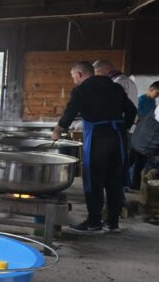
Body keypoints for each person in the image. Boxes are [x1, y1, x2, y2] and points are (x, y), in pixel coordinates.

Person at [52, 61, 136, 234]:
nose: (74, 80)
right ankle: (112, 223)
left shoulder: (81, 90)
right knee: (115, 180)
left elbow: (70, 113)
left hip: (98, 137)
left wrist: (58, 131)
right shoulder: (115, 87)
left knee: (93, 179)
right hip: (118, 137)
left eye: (73, 76)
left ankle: (94, 223)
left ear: (80, 74)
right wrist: (123, 127)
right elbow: (132, 110)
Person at [129, 82, 159, 189]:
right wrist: (147, 121)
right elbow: (138, 115)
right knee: (132, 160)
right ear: (151, 89)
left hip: (147, 132)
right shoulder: (141, 100)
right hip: (139, 131)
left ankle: (135, 184)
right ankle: (126, 182)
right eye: (156, 93)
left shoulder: (153, 101)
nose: (157, 96)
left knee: (140, 162)